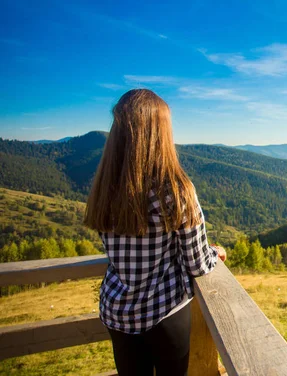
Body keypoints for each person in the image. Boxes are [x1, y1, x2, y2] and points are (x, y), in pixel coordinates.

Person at [84, 89, 226, 376]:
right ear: (161, 132)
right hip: (164, 315)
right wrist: (216, 252)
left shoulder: (104, 188)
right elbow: (197, 264)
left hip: (117, 313)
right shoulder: (175, 191)